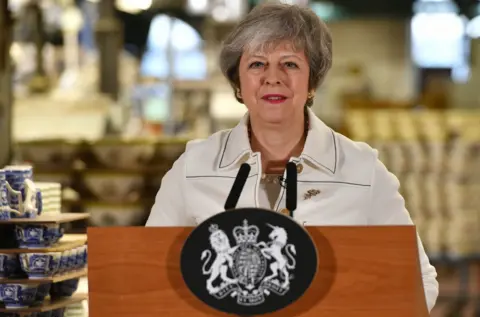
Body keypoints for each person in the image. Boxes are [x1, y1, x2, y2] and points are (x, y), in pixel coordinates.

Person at [146, 2, 438, 312]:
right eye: (257, 64)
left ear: (312, 82)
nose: (273, 77)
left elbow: (419, 281)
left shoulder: (363, 170)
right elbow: (147, 274)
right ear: (238, 83)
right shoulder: (192, 168)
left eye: (290, 64)